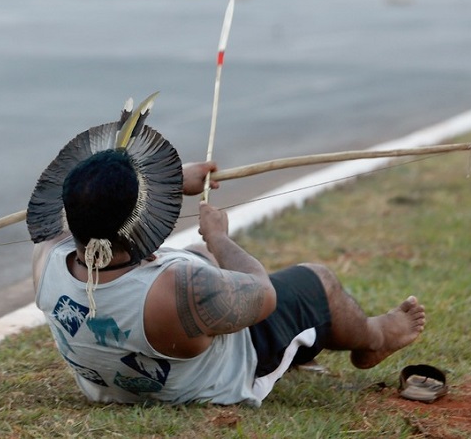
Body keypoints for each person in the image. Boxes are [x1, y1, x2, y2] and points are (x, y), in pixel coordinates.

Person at [28, 98, 425, 406]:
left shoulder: (46, 258)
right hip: (204, 384)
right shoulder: (183, 288)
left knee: (198, 254)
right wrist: (220, 237)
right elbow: (262, 293)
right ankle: (374, 338)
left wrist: (171, 182)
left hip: (113, 384)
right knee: (316, 281)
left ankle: (301, 349)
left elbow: (81, 200)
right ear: (140, 217)